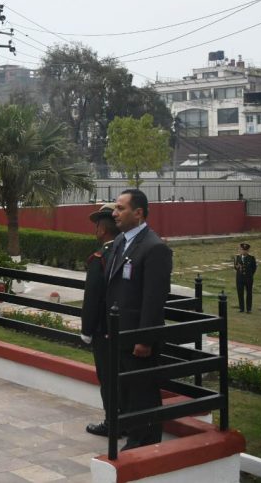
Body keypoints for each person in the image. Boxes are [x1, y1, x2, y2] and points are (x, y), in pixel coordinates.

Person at [106, 189, 173, 450]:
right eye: (115, 207)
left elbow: (153, 299)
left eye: (121, 208)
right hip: (119, 333)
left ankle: (143, 442)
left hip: (137, 338)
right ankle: (135, 436)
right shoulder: (121, 242)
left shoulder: (154, 248)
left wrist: (144, 339)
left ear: (139, 213)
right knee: (127, 391)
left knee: (142, 392)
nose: (114, 213)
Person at [80, 203, 120, 437]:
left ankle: (112, 422)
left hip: (103, 329)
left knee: (107, 376)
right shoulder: (124, 251)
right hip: (122, 326)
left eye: (97, 226)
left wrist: (86, 329)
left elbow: (92, 298)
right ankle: (122, 419)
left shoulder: (100, 257)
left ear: (102, 230)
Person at [235, 242, 257, 313]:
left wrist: (250, 275)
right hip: (239, 278)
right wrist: (237, 267)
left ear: (248, 251)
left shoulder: (251, 258)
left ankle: (249, 309)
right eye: (242, 249)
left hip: (248, 278)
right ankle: (241, 308)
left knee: (249, 293)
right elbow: (235, 267)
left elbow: (254, 268)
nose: (243, 251)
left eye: (245, 250)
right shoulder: (237, 257)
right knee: (240, 293)